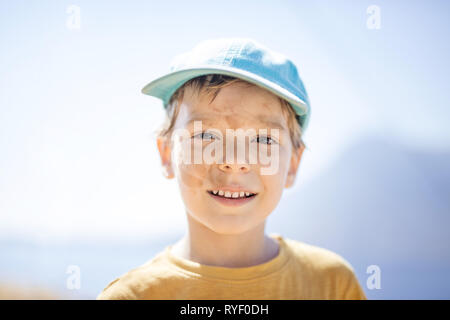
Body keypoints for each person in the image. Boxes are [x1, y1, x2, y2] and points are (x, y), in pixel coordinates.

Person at [97, 38, 367, 300]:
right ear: (167, 153)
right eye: (205, 136)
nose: (235, 161)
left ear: (293, 165)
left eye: (263, 140)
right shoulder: (132, 296)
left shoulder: (331, 284)